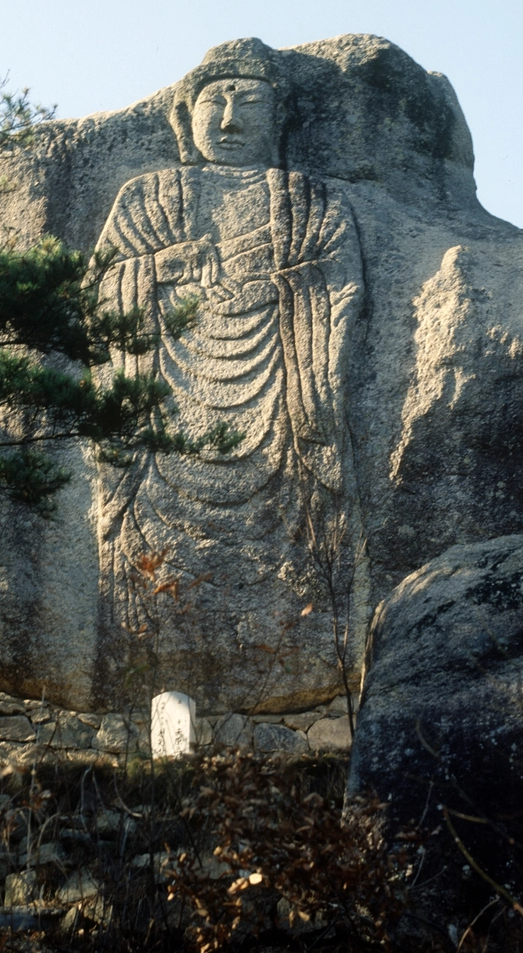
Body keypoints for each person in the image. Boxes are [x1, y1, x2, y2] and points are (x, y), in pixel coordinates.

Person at [93, 39, 364, 708]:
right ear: (185, 118)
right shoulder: (146, 199)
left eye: (249, 101)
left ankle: (298, 675)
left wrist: (279, 288)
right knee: (155, 558)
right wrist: (161, 268)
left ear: (280, 119)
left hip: (280, 402)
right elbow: (100, 293)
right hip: (165, 415)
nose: (230, 119)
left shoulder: (310, 201)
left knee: (293, 540)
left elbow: (336, 283)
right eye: (215, 100)